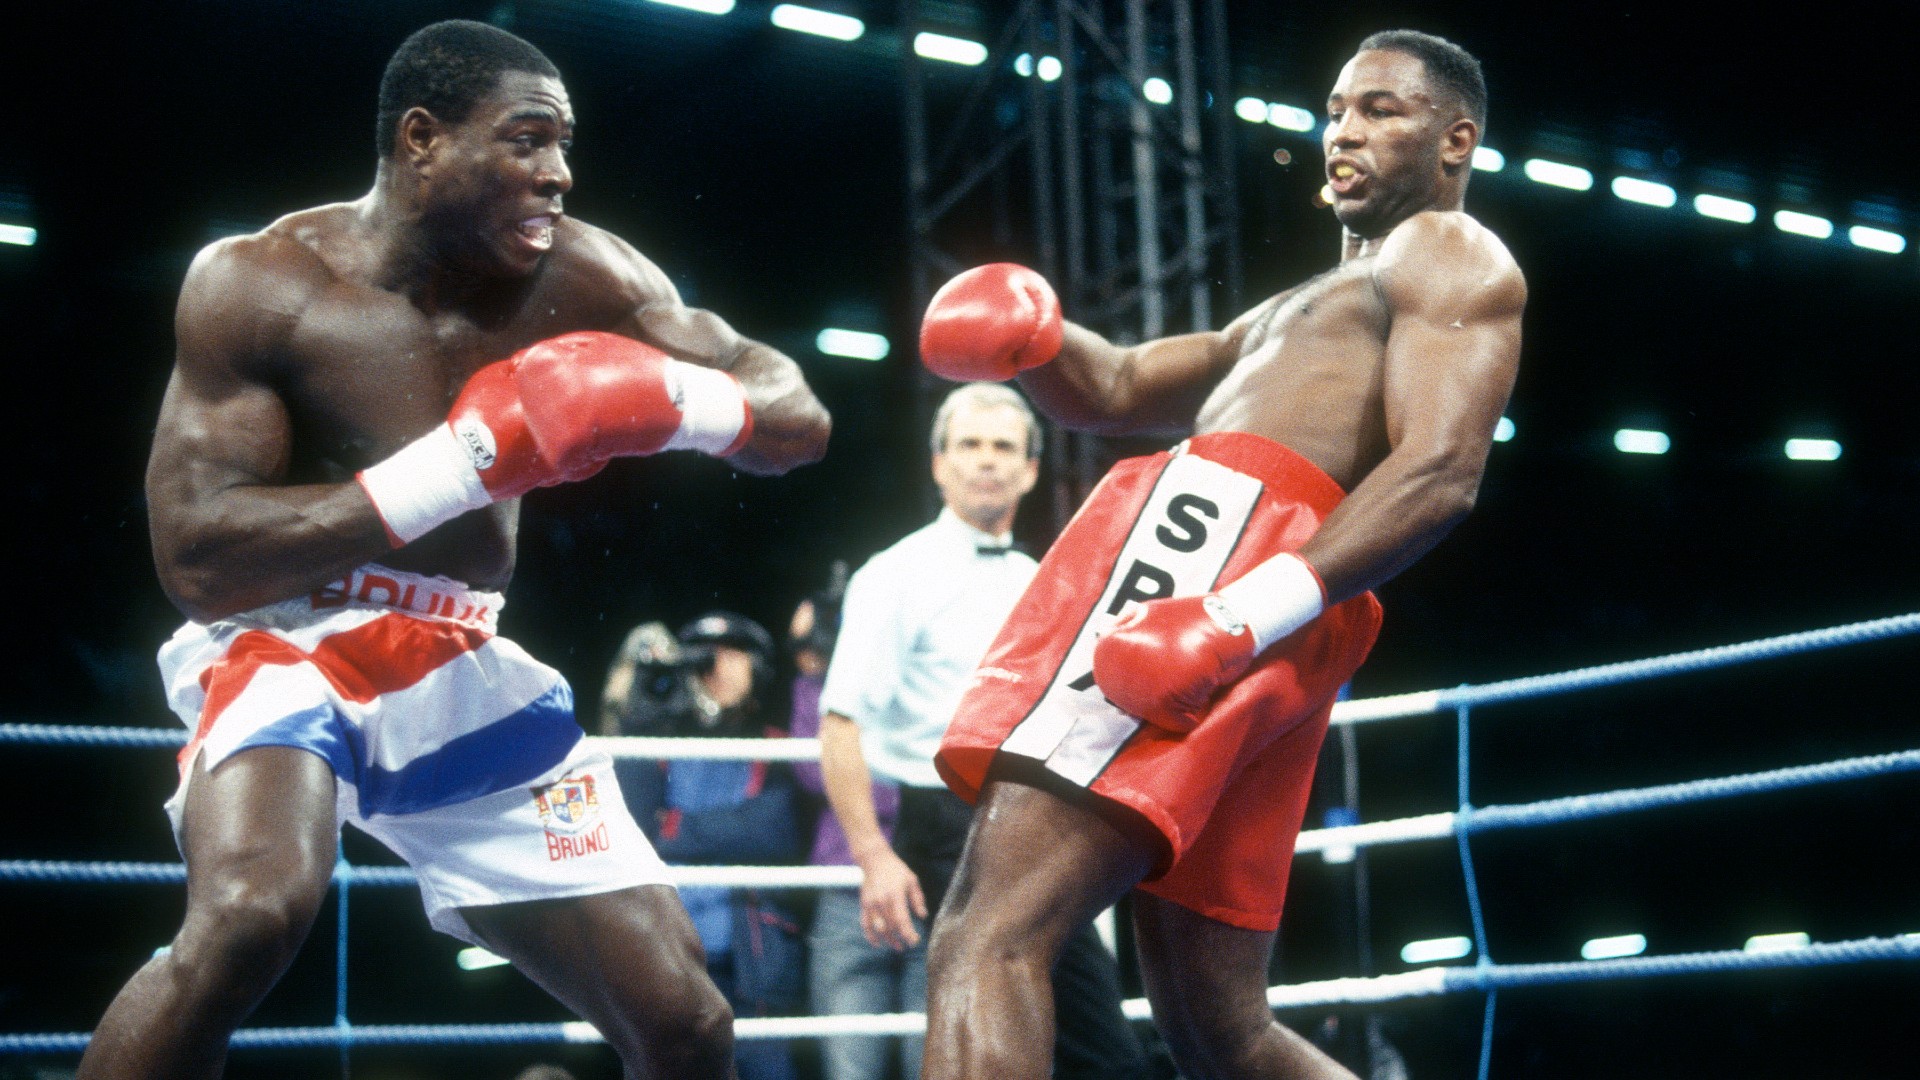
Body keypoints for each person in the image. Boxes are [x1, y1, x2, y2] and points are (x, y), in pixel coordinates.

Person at [87, 19, 829, 1080]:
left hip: (460, 653)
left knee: (687, 1025)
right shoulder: (263, 282)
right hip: (288, 637)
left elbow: (796, 417)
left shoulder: (584, 277)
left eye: (565, 144)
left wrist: (677, 400)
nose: (559, 173)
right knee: (247, 918)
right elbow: (200, 561)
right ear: (422, 139)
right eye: (528, 139)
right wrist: (458, 467)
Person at [915, 29, 1525, 1080]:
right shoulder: (1295, 309)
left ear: (1455, 140)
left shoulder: (1446, 250)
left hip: (1224, 567)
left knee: (990, 930)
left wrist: (1235, 615)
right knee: (1219, 1030)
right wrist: (1038, 338)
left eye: (1381, 110)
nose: (1343, 132)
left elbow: (1440, 471)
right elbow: (1115, 389)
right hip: (1263, 607)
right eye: (1335, 111)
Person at [816, 383, 1154, 1080]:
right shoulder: (894, 576)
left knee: (1049, 1037)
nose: (987, 460)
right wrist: (872, 856)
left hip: (1043, 817)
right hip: (947, 826)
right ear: (939, 464)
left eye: (1003, 447)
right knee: (1068, 1038)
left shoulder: (1042, 579)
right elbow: (840, 722)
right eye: (969, 445)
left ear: (1030, 471)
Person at [617, 613, 808, 1080]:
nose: (717, 666)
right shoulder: (657, 745)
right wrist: (639, 710)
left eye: (733, 654)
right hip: (669, 958)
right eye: (705, 656)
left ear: (758, 668)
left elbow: (776, 831)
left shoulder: (778, 745)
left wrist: (676, 827)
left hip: (754, 963)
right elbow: (633, 831)